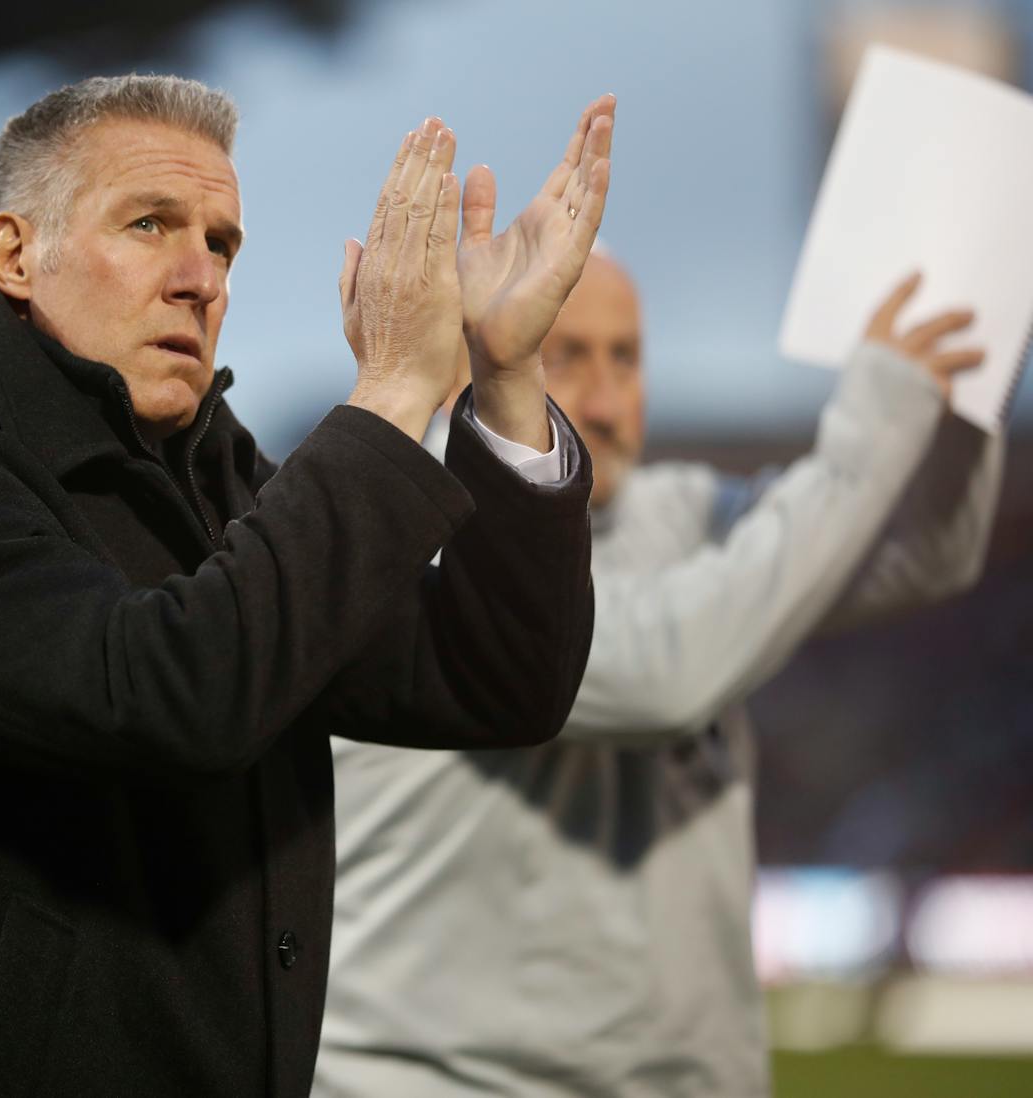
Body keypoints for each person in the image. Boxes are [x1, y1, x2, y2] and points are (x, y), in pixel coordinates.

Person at [0, 74, 615, 1097]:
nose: (199, 277)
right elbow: (168, 696)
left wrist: (503, 374)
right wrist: (394, 389)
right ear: (14, 254)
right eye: (149, 224)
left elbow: (498, 678)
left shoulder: (217, 480)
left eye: (220, 243)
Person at [316, 252, 1005, 1097]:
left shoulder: (684, 511)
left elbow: (917, 553)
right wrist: (875, 424)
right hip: (438, 1080)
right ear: (483, 363)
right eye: (565, 355)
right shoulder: (415, 531)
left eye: (627, 358)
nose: (605, 403)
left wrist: (971, 384)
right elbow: (663, 677)